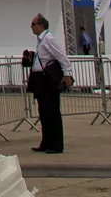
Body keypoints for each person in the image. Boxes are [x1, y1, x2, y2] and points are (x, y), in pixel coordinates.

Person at [27, 13, 68, 155]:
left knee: (52, 112)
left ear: (41, 25)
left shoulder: (48, 39)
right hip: (40, 80)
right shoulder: (41, 40)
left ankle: (56, 144)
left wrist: (67, 74)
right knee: (44, 112)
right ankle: (46, 142)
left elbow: (61, 56)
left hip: (48, 80)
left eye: (33, 24)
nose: (31, 27)